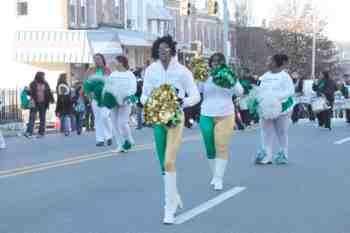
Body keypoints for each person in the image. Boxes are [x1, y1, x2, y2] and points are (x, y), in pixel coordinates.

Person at [141, 36, 200, 224]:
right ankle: (174, 195)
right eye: (159, 49)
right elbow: (143, 95)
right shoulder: (151, 70)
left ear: (172, 50)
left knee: (169, 162)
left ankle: (169, 208)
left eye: (166, 49)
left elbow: (196, 95)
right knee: (162, 165)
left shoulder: (182, 71)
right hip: (158, 119)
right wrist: (150, 102)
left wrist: (182, 101)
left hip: (175, 118)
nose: (162, 52)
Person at [198, 53, 243, 190]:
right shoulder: (206, 76)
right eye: (213, 61)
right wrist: (199, 78)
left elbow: (240, 92)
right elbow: (196, 91)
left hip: (225, 114)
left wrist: (232, 83)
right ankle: (215, 175)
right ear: (210, 63)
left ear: (223, 63)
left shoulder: (229, 75)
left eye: (218, 61)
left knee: (221, 146)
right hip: (206, 113)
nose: (215, 64)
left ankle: (219, 178)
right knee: (210, 147)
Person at [255, 54, 295, 165]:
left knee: (281, 131)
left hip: (282, 107)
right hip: (266, 108)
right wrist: (257, 99)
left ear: (277, 63)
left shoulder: (285, 76)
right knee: (266, 131)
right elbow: (257, 89)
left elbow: (290, 91)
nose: (267, 62)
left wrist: (275, 97)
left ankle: (283, 154)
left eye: (270, 60)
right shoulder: (263, 77)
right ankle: (266, 155)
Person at [108, 55, 137, 152]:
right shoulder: (113, 74)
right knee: (114, 124)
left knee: (122, 123)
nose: (114, 64)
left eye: (115, 61)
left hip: (125, 101)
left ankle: (129, 139)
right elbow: (109, 86)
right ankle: (120, 145)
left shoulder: (130, 75)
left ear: (121, 63)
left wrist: (126, 96)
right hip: (113, 101)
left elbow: (133, 88)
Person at [85, 53, 113, 146]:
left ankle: (109, 136)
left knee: (105, 116)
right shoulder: (90, 70)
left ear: (102, 59)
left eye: (98, 59)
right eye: (95, 59)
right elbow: (86, 83)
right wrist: (88, 95)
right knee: (98, 118)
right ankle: (100, 139)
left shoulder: (107, 69)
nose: (97, 61)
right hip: (95, 98)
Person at [24, 71, 54, 138]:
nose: (44, 77)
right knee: (32, 118)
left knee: (42, 118)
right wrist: (26, 90)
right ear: (39, 76)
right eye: (43, 75)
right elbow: (30, 93)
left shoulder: (46, 83)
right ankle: (29, 132)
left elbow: (49, 92)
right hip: (34, 102)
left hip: (43, 103)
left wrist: (52, 100)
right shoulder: (32, 83)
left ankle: (41, 132)